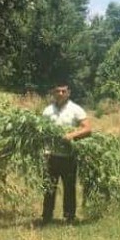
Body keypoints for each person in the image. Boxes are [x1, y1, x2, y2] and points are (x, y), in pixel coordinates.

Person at [41, 82, 92, 224]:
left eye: (63, 91)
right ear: (53, 92)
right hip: (51, 155)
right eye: (58, 91)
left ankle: (69, 217)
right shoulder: (47, 111)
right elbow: (42, 131)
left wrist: (72, 135)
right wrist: (44, 150)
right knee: (49, 187)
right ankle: (46, 217)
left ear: (68, 92)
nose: (60, 94)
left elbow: (87, 128)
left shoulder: (76, 109)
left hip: (69, 156)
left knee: (69, 187)